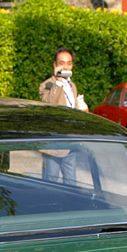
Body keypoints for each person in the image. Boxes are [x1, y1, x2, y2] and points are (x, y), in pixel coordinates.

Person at [38, 47, 87, 182]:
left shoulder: (73, 86)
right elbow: (49, 106)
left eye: (69, 63)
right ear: (55, 65)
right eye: (62, 63)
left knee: (71, 185)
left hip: (70, 144)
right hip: (53, 145)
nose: (66, 66)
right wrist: (58, 81)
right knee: (50, 184)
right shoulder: (46, 85)